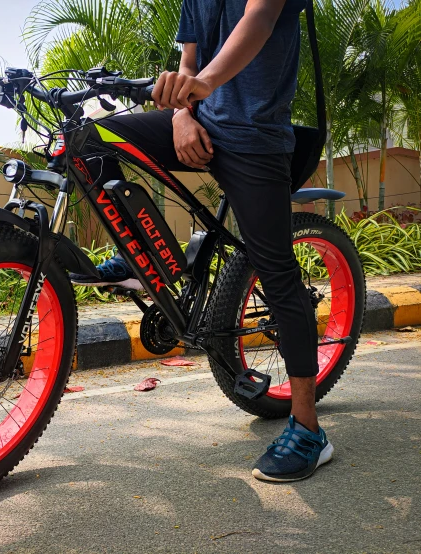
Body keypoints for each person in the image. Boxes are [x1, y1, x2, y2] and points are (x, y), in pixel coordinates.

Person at [70, 0, 333, 482]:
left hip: (255, 138)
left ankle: (308, 428)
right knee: (88, 139)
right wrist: (180, 114)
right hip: (197, 126)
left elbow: (259, 18)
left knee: (277, 276)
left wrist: (205, 85)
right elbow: (188, 66)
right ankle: (145, 261)